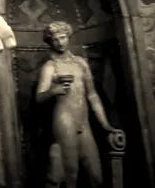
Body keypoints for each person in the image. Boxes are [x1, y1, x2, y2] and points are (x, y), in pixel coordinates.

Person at [36, 21, 123, 188]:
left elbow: (92, 95)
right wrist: (53, 91)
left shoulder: (81, 63)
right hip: (63, 120)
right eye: (55, 40)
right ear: (50, 42)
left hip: (84, 122)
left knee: (96, 175)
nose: (60, 43)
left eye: (62, 38)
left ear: (68, 37)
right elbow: (39, 97)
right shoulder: (50, 67)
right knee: (71, 174)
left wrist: (106, 125)